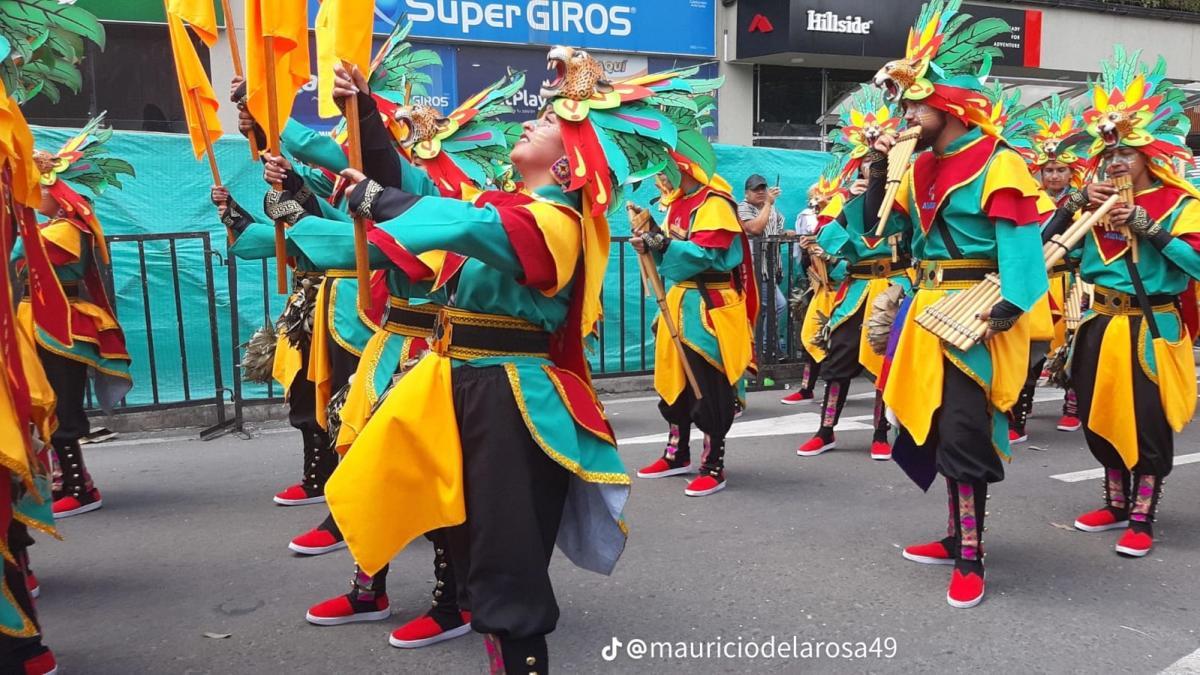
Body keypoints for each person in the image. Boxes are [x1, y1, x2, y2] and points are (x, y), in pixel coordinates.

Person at [297, 50, 715, 672]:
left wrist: (378, 198)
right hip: (459, 382)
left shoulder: (557, 221)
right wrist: (363, 119)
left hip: (511, 395)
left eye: (547, 121)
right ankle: (400, 592)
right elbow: (425, 193)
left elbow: (459, 223)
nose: (531, 121)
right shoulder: (506, 206)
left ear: (570, 160)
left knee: (505, 557)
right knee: (450, 527)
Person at [301, 71, 526, 649]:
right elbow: (379, 183)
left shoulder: (472, 204)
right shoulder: (442, 193)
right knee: (366, 462)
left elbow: (386, 213)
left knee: (435, 480)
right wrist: (297, 199)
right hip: (391, 344)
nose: (415, 141)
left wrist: (308, 216)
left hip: (432, 350)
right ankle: (368, 585)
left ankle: (454, 600)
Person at [871, 0, 1054, 608]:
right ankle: (955, 536)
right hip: (926, 311)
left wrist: (1015, 303)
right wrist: (877, 171)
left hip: (975, 310)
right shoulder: (917, 163)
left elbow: (1021, 243)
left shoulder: (999, 162)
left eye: (916, 104)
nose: (907, 114)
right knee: (934, 429)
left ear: (944, 104)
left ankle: (972, 555)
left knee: (966, 433)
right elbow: (881, 234)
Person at [1047, 46, 1200, 558]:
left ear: (1148, 156)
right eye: (1108, 154)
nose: (1115, 163)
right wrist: (1071, 205)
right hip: (1098, 320)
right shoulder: (1090, 203)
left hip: (1150, 325)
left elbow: (1196, 264)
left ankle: (1142, 514)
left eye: (1126, 154)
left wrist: (1148, 228)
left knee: (1148, 418)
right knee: (1096, 411)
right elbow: (1042, 251)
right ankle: (1114, 503)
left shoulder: (1181, 203)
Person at [14, 116, 134, 519]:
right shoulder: (43, 226)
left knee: (62, 406)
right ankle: (69, 477)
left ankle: (81, 488)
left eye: (38, 191)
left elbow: (22, 253)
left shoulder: (64, 230)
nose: (32, 198)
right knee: (41, 406)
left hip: (61, 325)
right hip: (34, 322)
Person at [633, 158, 757, 497]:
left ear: (684, 167)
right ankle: (677, 453)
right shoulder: (677, 203)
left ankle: (713, 464)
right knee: (675, 381)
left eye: (663, 170)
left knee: (709, 383)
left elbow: (705, 255)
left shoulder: (714, 202)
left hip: (709, 305)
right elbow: (672, 254)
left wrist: (660, 242)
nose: (659, 179)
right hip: (678, 301)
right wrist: (649, 240)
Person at [797, 83, 909, 461]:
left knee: (884, 361)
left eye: (877, 164)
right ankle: (826, 429)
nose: (870, 170)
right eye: (865, 163)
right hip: (857, 290)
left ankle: (880, 433)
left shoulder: (906, 202)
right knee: (838, 357)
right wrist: (811, 250)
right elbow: (827, 245)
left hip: (895, 288)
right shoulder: (849, 205)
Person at [1004, 93, 1091, 440]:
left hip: (1074, 281)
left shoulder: (1087, 202)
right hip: (1039, 281)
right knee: (1030, 349)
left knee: (1074, 345)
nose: (1054, 175)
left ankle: (1072, 406)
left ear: (1073, 171)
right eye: (1049, 169)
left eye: (1061, 169)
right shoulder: (1031, 200)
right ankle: (1017, 418)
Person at [784, 158, 849, 406]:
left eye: (823, 202)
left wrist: (830, 257)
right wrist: (809, 251)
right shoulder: (823, 226)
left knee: (843, 346)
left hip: (847, 291)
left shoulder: (848, 221)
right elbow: (810, 265)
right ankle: (807, 388)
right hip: (824, 289)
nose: (819, 206)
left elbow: (853, 259)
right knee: (812, 335)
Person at [738, 174, 787, 359]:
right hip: (752, 269)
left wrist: (787, 235)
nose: (760, 192)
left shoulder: (772, 210)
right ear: (746, 193)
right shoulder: (743, 207)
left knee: (765, 310)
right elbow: (755, 229)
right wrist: (768, 204)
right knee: (777, 306)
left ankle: (766, 347)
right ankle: (766, 348)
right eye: (755, 189)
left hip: (769, 270)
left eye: (762, 188)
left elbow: (772, 232)